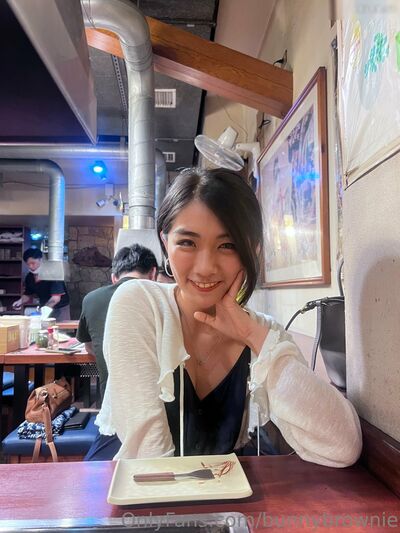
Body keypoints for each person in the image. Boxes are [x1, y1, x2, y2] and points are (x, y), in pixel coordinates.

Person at [96, 167, 362, 466]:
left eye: (228, 245)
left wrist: (253, 335)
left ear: (252, 249)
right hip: (145, 485)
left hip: (226, 488)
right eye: (187, 243)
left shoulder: (260, 332)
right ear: (165, 243)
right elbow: (149, 456)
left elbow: (342, 448)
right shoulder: (139, 303)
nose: (205, 267)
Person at [77, 243, 158, 461]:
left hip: (113, 408)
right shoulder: (163, 297)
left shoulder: (91, 299)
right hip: (160, 405)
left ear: (114, 277)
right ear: (153, 273)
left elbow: (89, 347)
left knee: (98, 471)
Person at [12, 248, 70, 321]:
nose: (30, 266)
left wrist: (44, 310)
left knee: (60, 327)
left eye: (33, 263)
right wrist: (19, 302)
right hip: (43, 307)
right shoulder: (29, 277)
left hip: (59, 308)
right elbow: (28, 294)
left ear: (41, 260)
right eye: (28, 264)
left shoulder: (53, 273)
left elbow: (55, 298)